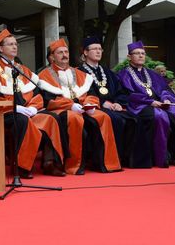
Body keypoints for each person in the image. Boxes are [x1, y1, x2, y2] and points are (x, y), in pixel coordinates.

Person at [0, 29, 65, 178]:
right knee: (21, 121)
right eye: (10, 44)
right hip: (4, 112)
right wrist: (15, 107)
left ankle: (50, 163)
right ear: (1, 49)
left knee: (52, 118)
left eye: (16, 44)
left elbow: (36, 94)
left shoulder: (24, 70)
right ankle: (21, 166)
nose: (15, 47)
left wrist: (34, 108)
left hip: (27, 110)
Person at [38, 39, 121, 174]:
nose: (64, 55)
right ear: (52, 57)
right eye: (60, 53)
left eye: (66, 52)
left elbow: (92, 93)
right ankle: (74, 165)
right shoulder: (44, 75)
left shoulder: (80, 73)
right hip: (61, 110)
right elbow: (48, 100)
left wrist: (89, 103)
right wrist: (71, 105)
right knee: (75, 119)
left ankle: (104, 163)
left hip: (83, 107)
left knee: (103, 117)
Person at [118, 41, 175, 167]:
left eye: (142, 53)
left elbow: (165, 89)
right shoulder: (123, 75)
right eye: (137, 53)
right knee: (159, 117)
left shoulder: (152, 74)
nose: (141, 56)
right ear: (129, 57)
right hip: (139, 106)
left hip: (160, 104)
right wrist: (150, 102)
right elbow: (127, 94)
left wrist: (166, 99)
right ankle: (160, 157)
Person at [78, 36, 146, 168]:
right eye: (95, 49)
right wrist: (103, 103)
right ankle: (109, 159)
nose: (98, 52)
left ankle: (128, 159)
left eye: (100, 49)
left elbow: (120, 90)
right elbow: (84, 93)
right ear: (85, 52)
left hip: (113, 106)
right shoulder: (79, 72)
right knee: (116, 120)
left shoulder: (107, 71)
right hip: (94, 107)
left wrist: (118, 102)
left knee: (134, 119)